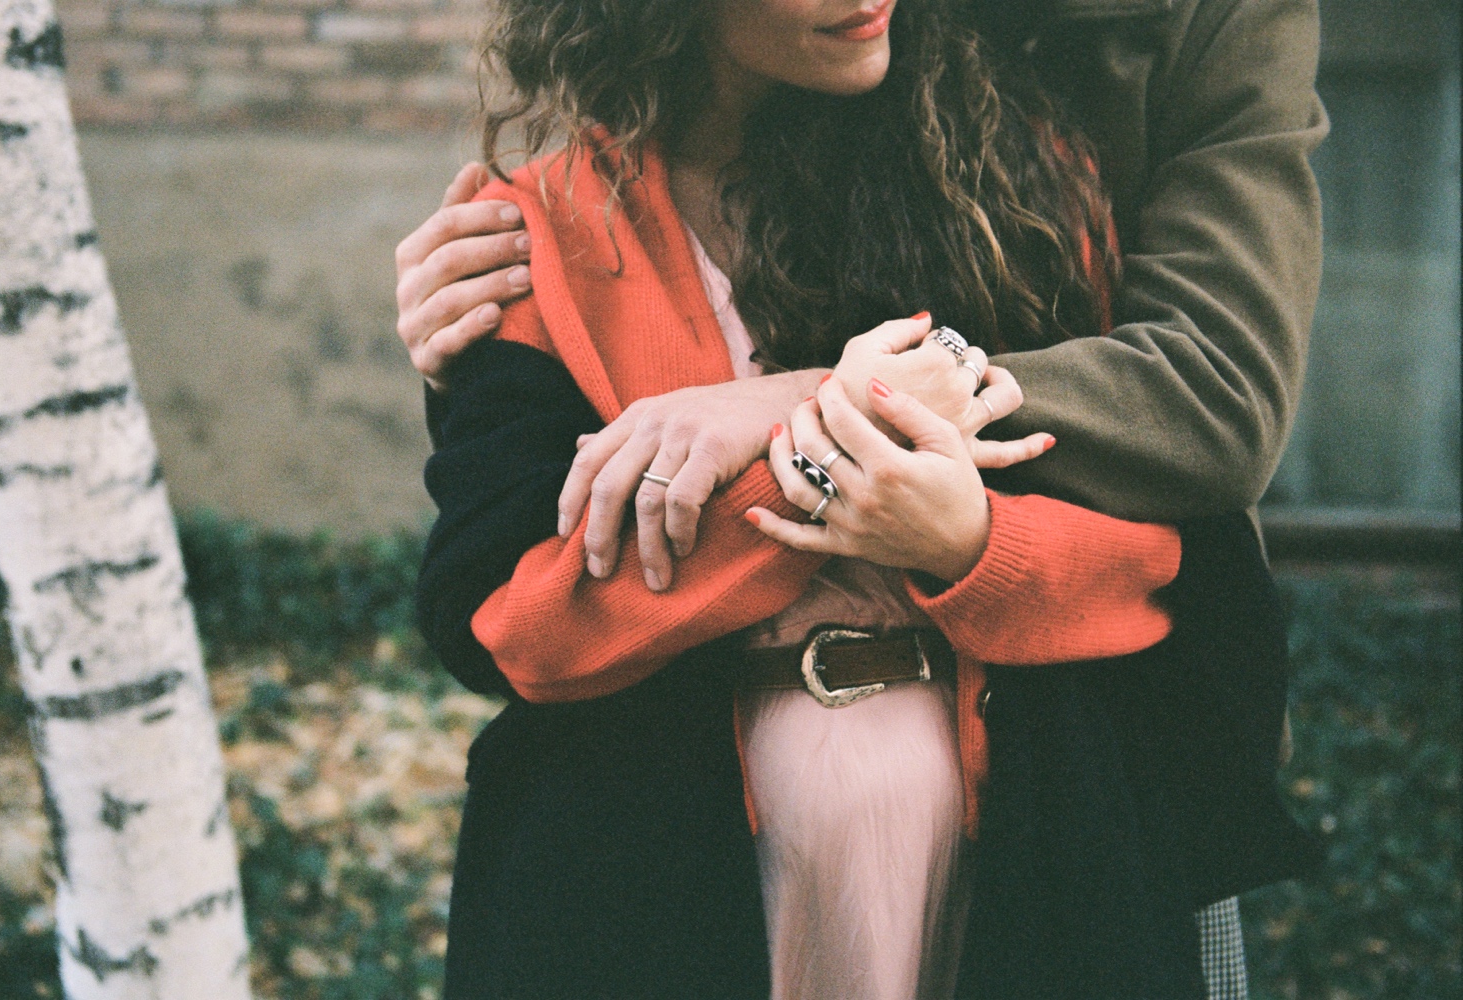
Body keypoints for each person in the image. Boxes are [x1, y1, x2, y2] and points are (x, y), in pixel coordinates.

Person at [403, 2, 1322, 999]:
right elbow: (508, 610)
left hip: (1024, 850)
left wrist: (950, 525)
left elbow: (1164, 548)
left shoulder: (991, 190)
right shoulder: (548, 222)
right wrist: (819, 486)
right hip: (671, 866)